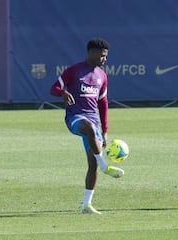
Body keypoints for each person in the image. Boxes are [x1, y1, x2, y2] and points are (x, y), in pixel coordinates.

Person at [50, 38, 124, 214]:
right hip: (75, 119)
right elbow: (53, 89)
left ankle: (87, 205)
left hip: (94, 123)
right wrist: (63, 92)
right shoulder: (74, 71)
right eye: (102, 55)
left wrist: (105, 130)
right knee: (89, 128)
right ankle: (106, 166)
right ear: (92, 52)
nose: (104, 59)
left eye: (106, 56)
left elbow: (103, 103)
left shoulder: (102, 76)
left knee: (92, 165)